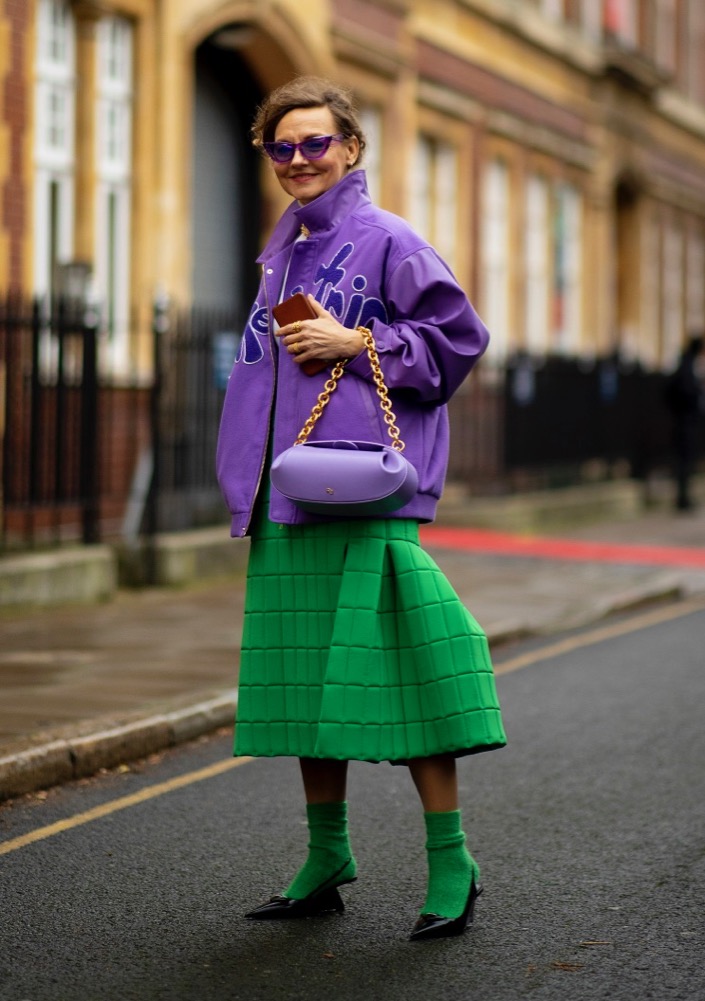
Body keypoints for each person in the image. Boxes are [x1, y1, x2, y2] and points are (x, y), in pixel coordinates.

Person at [216, 75, 506, 942]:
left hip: (363, 488)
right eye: (282, 146)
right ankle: (326, 854)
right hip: (287, 494)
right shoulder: (280, 253)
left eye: (315, 143)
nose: (299, 159)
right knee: (310, 678)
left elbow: (459, 341)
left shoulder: (390, 241)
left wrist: (360, 340)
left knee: (407, 673)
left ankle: (451, 857)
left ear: (350, 148)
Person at [664, 335, 704, 511]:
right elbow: (681, 391)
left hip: (685, 420)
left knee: (686, 462)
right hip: (684, 421)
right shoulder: (686, 368)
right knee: (684, 462)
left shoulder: (687, 365)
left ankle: (684, 497)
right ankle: (682, 499)